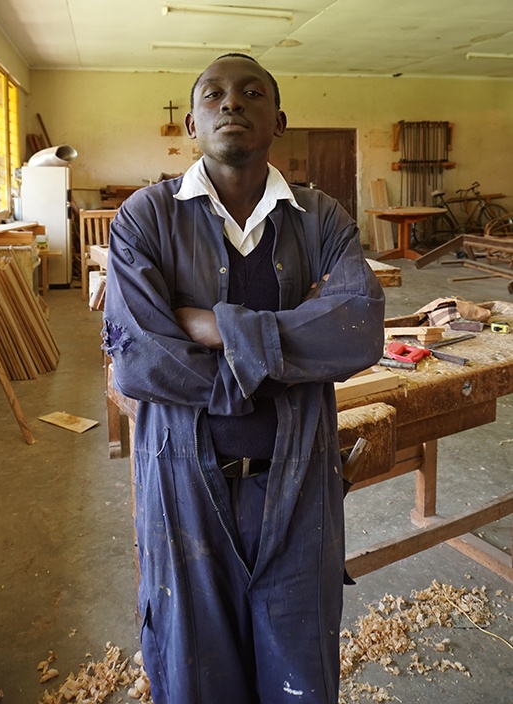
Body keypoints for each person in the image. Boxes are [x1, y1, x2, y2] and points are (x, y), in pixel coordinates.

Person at [102, 53, 385, 704]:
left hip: (298, 486)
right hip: (183, 490)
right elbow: (140, 361)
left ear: (278, 120)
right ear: (192, 123)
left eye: (252, 93)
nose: (232, 103)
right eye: (214, 95)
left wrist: (211, 327)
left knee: (300, 675)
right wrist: (287, 350)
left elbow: (359, 329)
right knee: (196, 675)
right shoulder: (148, 218)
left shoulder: (322, 220)